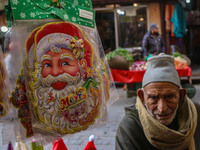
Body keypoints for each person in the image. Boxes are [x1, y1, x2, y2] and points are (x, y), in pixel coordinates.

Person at [115, 54, 200, 150]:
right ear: (142, 97)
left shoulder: (194, 114)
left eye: (169, 97)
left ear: (181, 96)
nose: (162, 108)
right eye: (153, 98)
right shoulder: (129, 127)